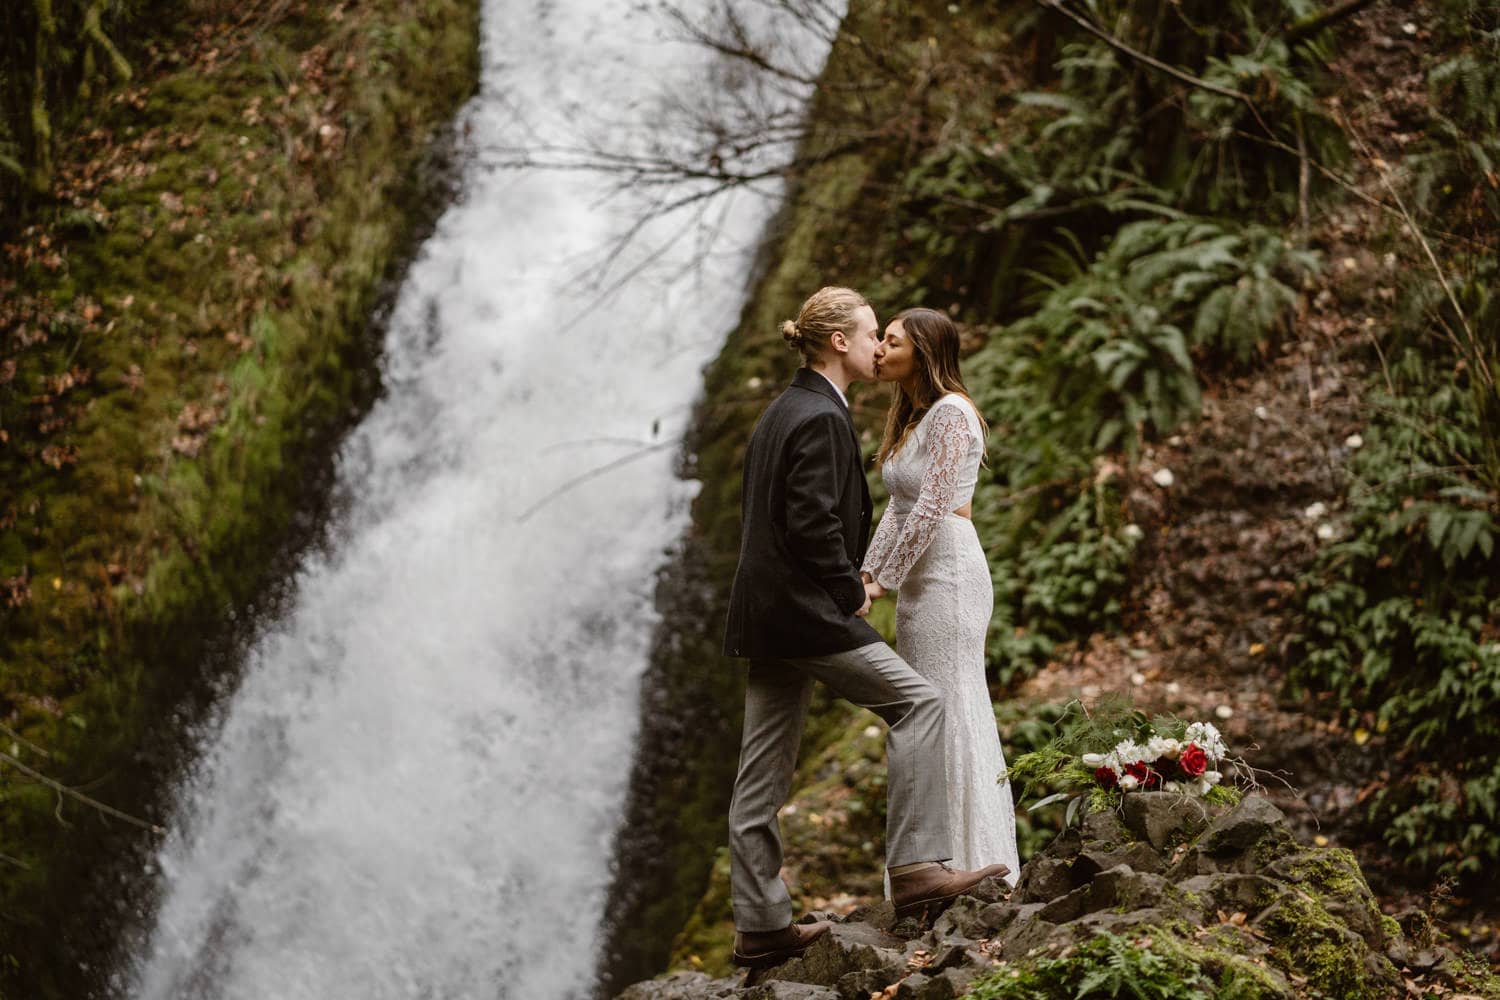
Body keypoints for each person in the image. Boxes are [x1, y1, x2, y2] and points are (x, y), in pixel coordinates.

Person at [723, 287, 1009, 970]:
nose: (880, 343)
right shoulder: (821, 416)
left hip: (766, 617)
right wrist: (852, 586)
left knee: (760, 774)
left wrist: (868, 577)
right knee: (919, 703)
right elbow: (813, 522)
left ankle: (760, 924)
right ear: (838, 343)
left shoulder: (781, 411)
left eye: (891, 335)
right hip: (806, 615)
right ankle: (915, 870)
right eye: (872, 332)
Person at [860, 307, 1020, 887]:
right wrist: (866, 577)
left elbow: (933, 508)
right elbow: (898, 510)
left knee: (950, 705)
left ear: (923, 351)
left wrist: (884, 580)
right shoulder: (913, 418)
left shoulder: (953, 413)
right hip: (919, 579)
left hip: (949, 575)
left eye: (891, 341)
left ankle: (969, 861)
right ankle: (931, 863)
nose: (878, 348)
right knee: (929, 710)